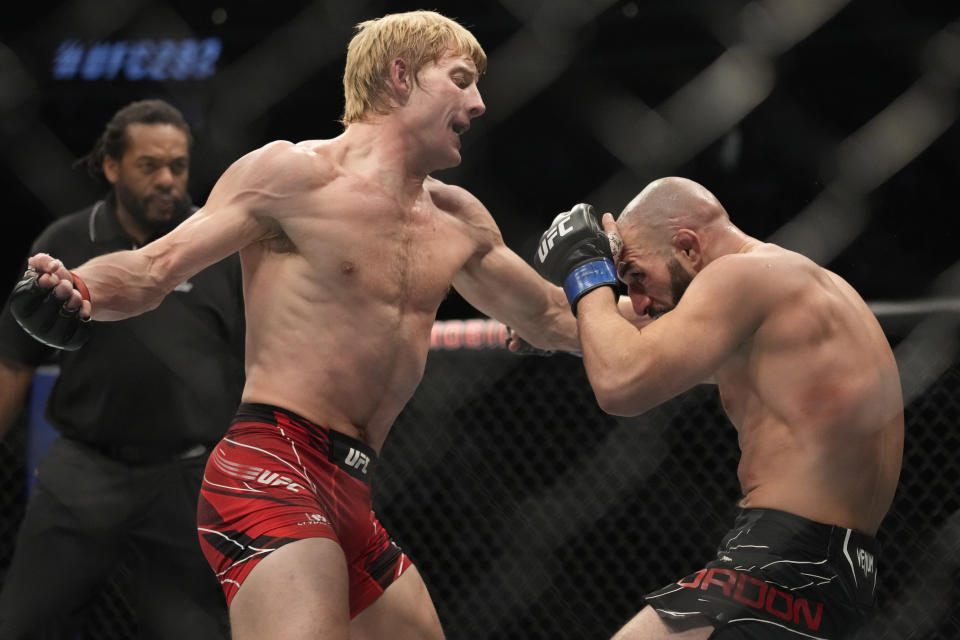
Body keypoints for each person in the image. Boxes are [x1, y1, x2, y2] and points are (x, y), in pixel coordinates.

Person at [8, 11, 581, 640]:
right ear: (400, 77)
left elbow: (554, 316)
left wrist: (654, 310)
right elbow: (152, 268)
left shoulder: (460, 220)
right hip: (269, 464)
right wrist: (79, 285)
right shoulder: (294, 176)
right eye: (461, 78)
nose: (477, 102)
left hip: (354, 491)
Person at [532, 178, 904, 639]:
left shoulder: (742, 276)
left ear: (687, 247)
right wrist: (471, 243)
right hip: (844, 570)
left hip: (784, 555)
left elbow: (620, 381)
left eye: (636, 275)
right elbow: (554, 318)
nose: (641, 302)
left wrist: (586, 266)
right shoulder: (792, 292)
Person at [0, 99, 243, 639]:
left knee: (198, 630)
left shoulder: (220, 244)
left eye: (177, 166)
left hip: (190, 477)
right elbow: (13, 360)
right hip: (86, 470)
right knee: (22, 624)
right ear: (111, 166)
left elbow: (261, 363)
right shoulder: (63, 243)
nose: (166, 180)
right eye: (148, 165)